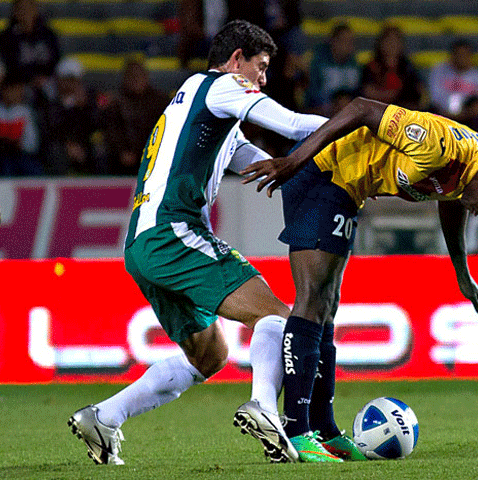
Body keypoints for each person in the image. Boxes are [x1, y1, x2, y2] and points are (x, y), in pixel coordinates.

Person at [67, 20, 331, 466]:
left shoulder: (200, 103)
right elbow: (290, 124)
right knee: (280, 319)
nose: (263, 79)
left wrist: (318, 179)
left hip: (143, 242)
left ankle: (105, 416)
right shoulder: (222, 86)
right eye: (261, 66)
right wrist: (359, 125)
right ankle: (265, 408)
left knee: (209, 355)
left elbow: (256, 161)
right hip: (173, 230)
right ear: (236, 59)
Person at [241, 97, 478, 460]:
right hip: (320, 172)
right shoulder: (435, 143)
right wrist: (294, 160)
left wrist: (462, 273)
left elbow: (451, 198)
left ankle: (323, 429)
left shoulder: (475, 163)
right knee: (312, 298)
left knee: (327, 306)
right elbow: (361, 109)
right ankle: (295, 429)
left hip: (347, 189)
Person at [100, 56, 171, 176]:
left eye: (139, 76)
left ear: (146, 77)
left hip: (154, 155)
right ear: (125, 78)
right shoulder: (116, 103)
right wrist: (122, 151)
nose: (136, 80)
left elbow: (167, 128)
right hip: (123, 159)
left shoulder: (160, 101)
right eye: (132, 76)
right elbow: (111, 130)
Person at [44, 57, 100, 175]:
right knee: (54, 152)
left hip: (85, 142)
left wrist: (84, 107)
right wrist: (68, 144)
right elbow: (52, 129)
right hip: (63, 144)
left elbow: (96, 125)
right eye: (66, 80)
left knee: (99, 148)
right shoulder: (51, 100)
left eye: (73, 80)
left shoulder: (89, 98)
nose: (69, 84)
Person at [0, 76, 42, 176]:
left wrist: (19, 144)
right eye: (9, 90)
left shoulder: (26, 112)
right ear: (2, 91)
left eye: (16, 90)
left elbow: (33, 143)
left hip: (21, 155)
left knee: (32, 168)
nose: (12, 94)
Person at [359, 25, 424, 110]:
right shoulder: (372, 66)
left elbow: (419, 90)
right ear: (381, 43)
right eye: (389, 41)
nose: (392, 45)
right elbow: (367, 91)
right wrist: (389, 95)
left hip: (403, 110)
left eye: (395, 41)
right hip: (379, 110)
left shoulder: (407, 67)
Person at [305, 23, 360, 117]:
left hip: (347, 113)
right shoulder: (318, 62)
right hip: (321, 112)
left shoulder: (354, 65)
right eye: (343, 41)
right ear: (333, 41)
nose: (348, 45)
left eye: (351, 41)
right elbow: (311, 94)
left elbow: (357, 93)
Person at [428, 39, 478, 121]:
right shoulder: (439, 71)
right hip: (440, 114)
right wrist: (447, 114)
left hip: (467, 116)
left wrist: (464, 114)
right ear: (452, 55)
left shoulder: (476, 75)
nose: (461, 58)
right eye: (458, 54)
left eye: (465, 55)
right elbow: (434, 97)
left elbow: (476, 99)